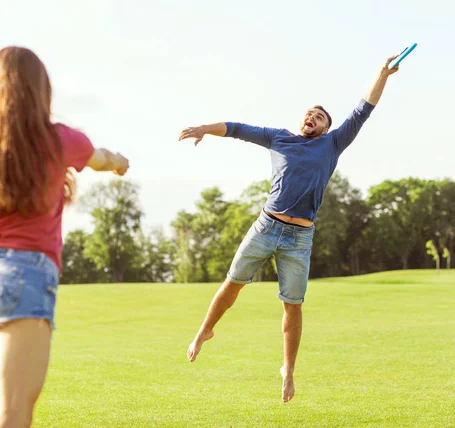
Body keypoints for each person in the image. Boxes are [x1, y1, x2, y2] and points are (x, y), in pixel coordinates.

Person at [179, 54, 399, 403]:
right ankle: (205, 330)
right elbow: (237, 129)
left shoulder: (333, 144)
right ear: (303, 121)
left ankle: (288, 371)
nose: (313, 117)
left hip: (299, 237)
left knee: (292, 305)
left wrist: (382, 74)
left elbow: (362, 111)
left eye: (321, 117)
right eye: (310, 113)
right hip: (266, 226)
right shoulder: (279, 138)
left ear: (326, 128)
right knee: (233, 283)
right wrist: (206, 128)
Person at [0, 46, 129, 428]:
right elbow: (103, 158)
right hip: (27, 273)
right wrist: (120, 162)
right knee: (14, 410)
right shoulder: (60, 140)